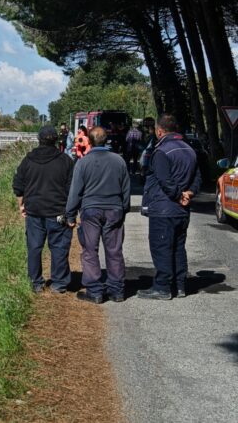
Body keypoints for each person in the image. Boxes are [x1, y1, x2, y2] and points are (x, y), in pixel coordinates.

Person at [138, 114, 201, 300]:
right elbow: (198, 177)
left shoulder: (161, 151)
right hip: (182, 209)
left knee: (161, 247)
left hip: (164, 208)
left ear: (159, 131)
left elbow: (164, 180)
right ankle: (180, 286)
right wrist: (189, 193)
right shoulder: (189, 149)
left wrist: (178, 195)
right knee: (178, 247)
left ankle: (162, 287)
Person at [66, 126, 131, 303]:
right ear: (106, 140)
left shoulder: (83, 163)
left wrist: (70, 214)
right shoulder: (119, 161)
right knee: (114, 251)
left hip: (91, 210)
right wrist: (124, 209)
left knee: (90, 250)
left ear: (90, 140)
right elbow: (126, 188)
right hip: (114, 209)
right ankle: (117, 290)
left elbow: (75, 191)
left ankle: (94, 291)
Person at [13, 125, 74, 293]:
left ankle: (36, 282)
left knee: (34, 247)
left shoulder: (28, 160)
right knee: (59, 247)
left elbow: (18, 185)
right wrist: (71, 213)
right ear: (56, 140)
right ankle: (59, 283)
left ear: (38, 140)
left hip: (34, 211)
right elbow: (72, 189)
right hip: (58, 212)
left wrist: (21, 205)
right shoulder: (65, 161)